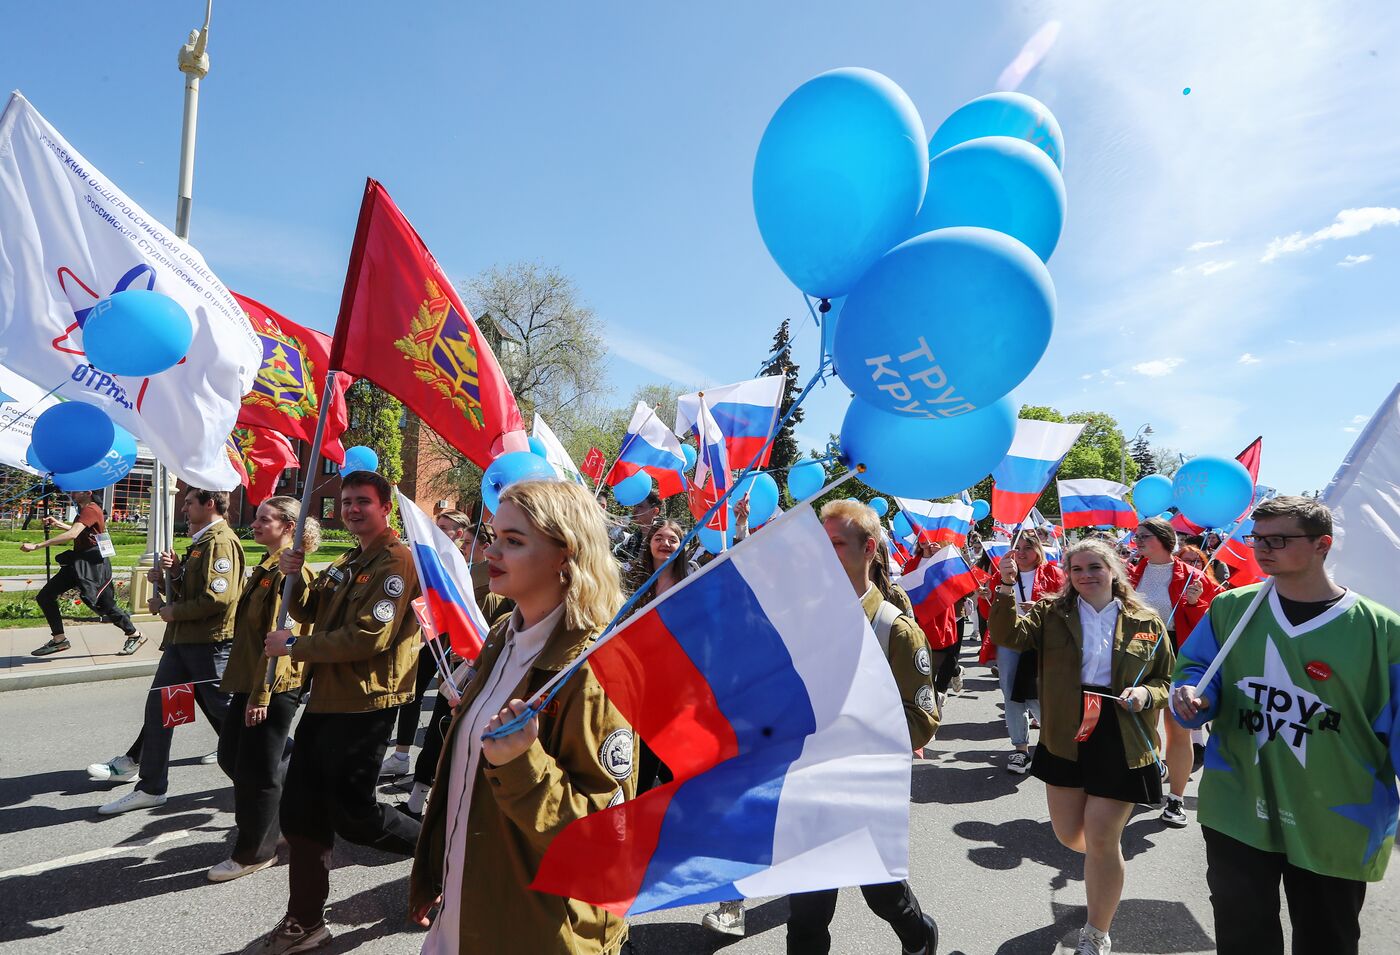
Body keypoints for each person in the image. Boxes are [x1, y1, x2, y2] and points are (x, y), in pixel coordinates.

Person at [409, 479, 637, 955]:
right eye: (493, 536)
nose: (491, 551)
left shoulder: (593, 667)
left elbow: (603, 840)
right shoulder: (501, 634)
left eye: (513, 541)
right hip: (468, 902)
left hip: (536, 928)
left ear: (564, 554)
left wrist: (521, 764)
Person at [1171, 497, 1400, 955]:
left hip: (1335, 817)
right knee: (1242, 934)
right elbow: (1196, 670)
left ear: (1322, 545)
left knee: (1326, 939)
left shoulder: (1382, 631)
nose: (1262, 549)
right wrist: (1193, 697)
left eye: (1279, 539)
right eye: (1257, 538)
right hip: (1239, 805)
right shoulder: (1232, 609)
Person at [241, 471, 423, 954]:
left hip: (366, 703)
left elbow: (370, 637)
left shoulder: (396, 562)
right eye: (345, 502)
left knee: (356, 816)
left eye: (363, 501)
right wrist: (294, 574)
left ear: (386, 507)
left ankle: (438, 848)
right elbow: (308, 608)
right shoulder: (348, 560)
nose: (352, 509)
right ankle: (304, 921)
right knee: (301, 812)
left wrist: (294, 647)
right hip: (326, 700)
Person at [990, 538, 1174, 955]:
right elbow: (1006, 635)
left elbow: (1165, 679)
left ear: (1113, 570)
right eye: (1077, 569)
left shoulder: (1146, 619)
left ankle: (1095, 931)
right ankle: (1101, 868)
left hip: (1122, 731)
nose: (1086, 575)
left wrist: (1146, 696)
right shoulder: (1050, 613)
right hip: (1065, 729)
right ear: (1068, 575)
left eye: (1095, 567)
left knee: (1103, 838)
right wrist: (1003, 585)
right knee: (1071, 834)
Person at [782, 499, 939, 955]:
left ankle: (919, 936)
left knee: (884, 897)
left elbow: (922, 718)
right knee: (807, 916)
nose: (823, 553)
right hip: (810, 788)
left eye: (835, 544)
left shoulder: (894, 628)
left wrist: (856, 735)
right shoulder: (801, 618)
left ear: (868, 548)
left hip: (868, 790)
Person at [97, 488, 244, 815]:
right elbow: (191, 588)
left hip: (207, 643)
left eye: (190, 502)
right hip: (183, 643)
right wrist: (170, 578)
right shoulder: (202, 541)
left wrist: (173, 611)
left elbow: (218, 598)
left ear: (209, 504)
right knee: (160, 709)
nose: (184, 507)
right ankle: (151, 787)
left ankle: (285, 758)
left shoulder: (219, 542)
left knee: (227, 711)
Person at [210, 497, 319, 882]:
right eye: (256, 517)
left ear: (289, 526)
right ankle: (300, 801)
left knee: (255, 770)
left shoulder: (291, 572)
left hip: (273, 684)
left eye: (264, 519)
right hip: (249, 679)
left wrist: (262, 695)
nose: (255, 524)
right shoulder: (270, 565)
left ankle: (255, 851)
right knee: (234, 758)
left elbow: (282, 638)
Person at [1126, 517, 1222, 827]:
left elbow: (1212, 625)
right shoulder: (1129, 573)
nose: (1138, 540)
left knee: (1178, 729)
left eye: (1145, 536)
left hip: (1179, 652)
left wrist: (1194, 603)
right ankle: (1156, 769)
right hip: (1139, 654)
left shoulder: (1193, 576)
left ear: (1164, 539)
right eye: (1137, 535)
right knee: (1144, 723)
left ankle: (1176, 799)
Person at [382, 509, 474, 780]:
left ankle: (434, 768)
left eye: (444, 527)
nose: (438, 530)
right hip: (426, 635)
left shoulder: (461, 562)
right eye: (438, 524)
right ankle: (401, 755)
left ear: (458, 534)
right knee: (412, 693)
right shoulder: (429, 555)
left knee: (442, 703)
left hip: (450, 641)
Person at [25, 489, 146, 657]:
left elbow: (73, 534)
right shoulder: (86, 510)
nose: (72, 493)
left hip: (92, 565)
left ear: (88, 492)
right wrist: (58, 523)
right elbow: (80, 531)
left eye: (76, 490)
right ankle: (59, 640)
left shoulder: (91, 508)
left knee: (106, 605)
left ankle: (135, 635)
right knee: (45, 596)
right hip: (79, 563)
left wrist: (37, 546)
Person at [625, 518, 696, 795]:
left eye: (672, 539)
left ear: (680, 546)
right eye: (659, 538)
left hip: (677, 680)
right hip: (639, 677)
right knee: (642, 748)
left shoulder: (691, 578)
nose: (665, 543)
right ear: (650, 543)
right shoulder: (634, 579)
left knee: (671, 748)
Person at [995, 531, 1066, 774]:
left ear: (1039, 549)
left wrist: (1042, 607)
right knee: (1011, 693)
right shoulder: (1003, 574)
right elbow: (992, 615)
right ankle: (1020, 749)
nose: (1022, 552)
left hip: (1043, 641)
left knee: (1040, 693)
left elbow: (1070, 606)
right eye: (1018, 547)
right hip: (1011, 642)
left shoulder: (1054, 573)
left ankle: (1054, 742)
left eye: (1028, 547)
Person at [610, 491, 661, 565]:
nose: (634, 511)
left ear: (654, 511)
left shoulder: (663, 539)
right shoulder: (632, 539)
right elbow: (612, 557)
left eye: (640, 506)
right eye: (634, 506)